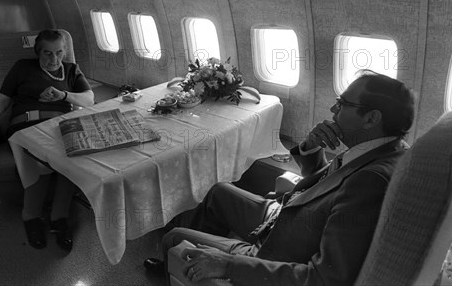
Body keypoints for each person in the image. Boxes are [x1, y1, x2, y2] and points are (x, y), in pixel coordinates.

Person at [144, 70, 415, 285]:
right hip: (287, 214)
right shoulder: (379, 150)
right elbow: (322, 188)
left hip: (279, 250)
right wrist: (311, 146)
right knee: (218, 192)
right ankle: (187, 267)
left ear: (371, 119)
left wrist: (227, 265)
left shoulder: (370, 183)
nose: (333, 111)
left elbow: (325, 279)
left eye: (343, 104)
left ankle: (191, 261)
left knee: (175, 239)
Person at [0, 29, 94, 251]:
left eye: (59, 53)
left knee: (73, 160)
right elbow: (2, 100)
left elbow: (89, 99)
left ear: (65, 51)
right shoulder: (22, 68)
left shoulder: (72, 70)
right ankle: (31, 217)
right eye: (47, 53)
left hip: (60, 127)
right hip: (26, 127)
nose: (54, 59)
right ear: (38, 52)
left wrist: (63, 95)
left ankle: (59, 218)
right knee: (39, 162)